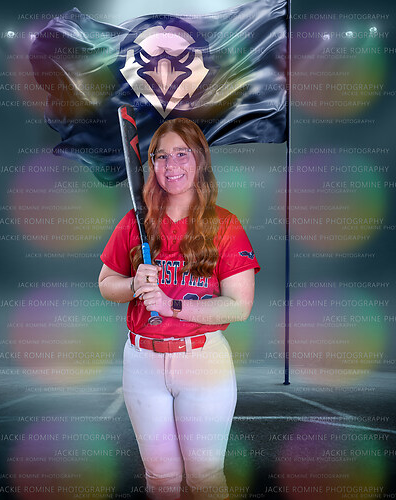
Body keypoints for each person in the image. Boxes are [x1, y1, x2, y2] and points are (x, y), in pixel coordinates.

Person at [98, 118, 260, 500]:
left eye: (182, 154)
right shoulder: (136, 223)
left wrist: (171, 306)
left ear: (199, 159)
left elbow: (239, 306)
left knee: (205, 478)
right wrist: (134, 285)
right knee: (160, 478)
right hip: (142, 362)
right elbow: (106, 284)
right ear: (152, 164)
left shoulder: (224, 225)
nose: (171, 165)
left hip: (203, 362)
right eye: (161, 156)